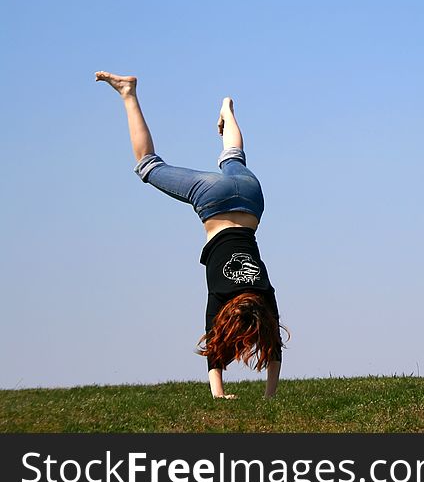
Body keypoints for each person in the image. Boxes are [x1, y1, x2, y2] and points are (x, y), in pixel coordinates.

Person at [95, 71, 288, 399]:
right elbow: (214, 346)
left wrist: (270, 397)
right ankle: (128, 93)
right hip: (213, 201)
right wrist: (219, 394)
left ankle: (227, 109)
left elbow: (273, 352)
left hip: (252, 198)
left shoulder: (263, 297)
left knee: (234, 158)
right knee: (148, 165)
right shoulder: (222, 298)